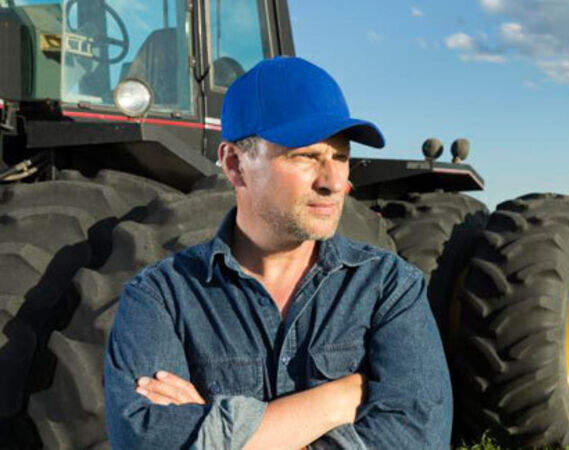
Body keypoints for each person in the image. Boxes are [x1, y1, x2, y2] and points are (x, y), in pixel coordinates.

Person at [103, 57, 453, 449]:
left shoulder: (389, 288)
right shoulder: (161, 297)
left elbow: (419, 438)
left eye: (340, 157)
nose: (334, 182)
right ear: (235, 164)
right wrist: (332, 402)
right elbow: (144, 440)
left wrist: (220, 435)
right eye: (306, 156)